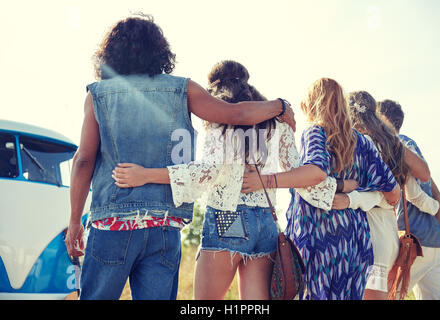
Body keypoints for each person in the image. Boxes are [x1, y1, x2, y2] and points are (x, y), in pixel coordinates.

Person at [64, 15, 296, 300]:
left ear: (111, 54)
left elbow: (83, 161)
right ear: (159, 50)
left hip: (112, 222)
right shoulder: (183, 89)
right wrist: (280, 105)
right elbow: (236, 114)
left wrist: (75, 220)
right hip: (165, 224)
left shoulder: (98, 96)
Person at [112, 60, 350, 300]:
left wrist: (145, 175)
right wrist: (337, 190)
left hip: (229, 217)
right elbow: (299, 173)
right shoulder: (278, 121)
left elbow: (207, 171)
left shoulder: (221, 118)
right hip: (266, 222)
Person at [241, 78, 401, 300]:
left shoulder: (316, 132)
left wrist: (265, 181)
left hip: (319, 237)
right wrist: (352, 196)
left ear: (312, 103)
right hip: (353, 241)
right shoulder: (363, 143)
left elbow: (316, 172)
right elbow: (394, 193)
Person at [329, 91, 439, 300]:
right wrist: (434, 207)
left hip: (369, 236)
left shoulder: (358, 145)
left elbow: (385, 193)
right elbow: (413, 192)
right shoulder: (393, 145)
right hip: (386, 237)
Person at [377, 99, 440, 300]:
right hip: (434, 244)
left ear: (383, 120)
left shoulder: (393, 148)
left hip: (413, 244)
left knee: (388, 296)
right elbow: (439, 196)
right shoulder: (414, 149)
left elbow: (411, 195)